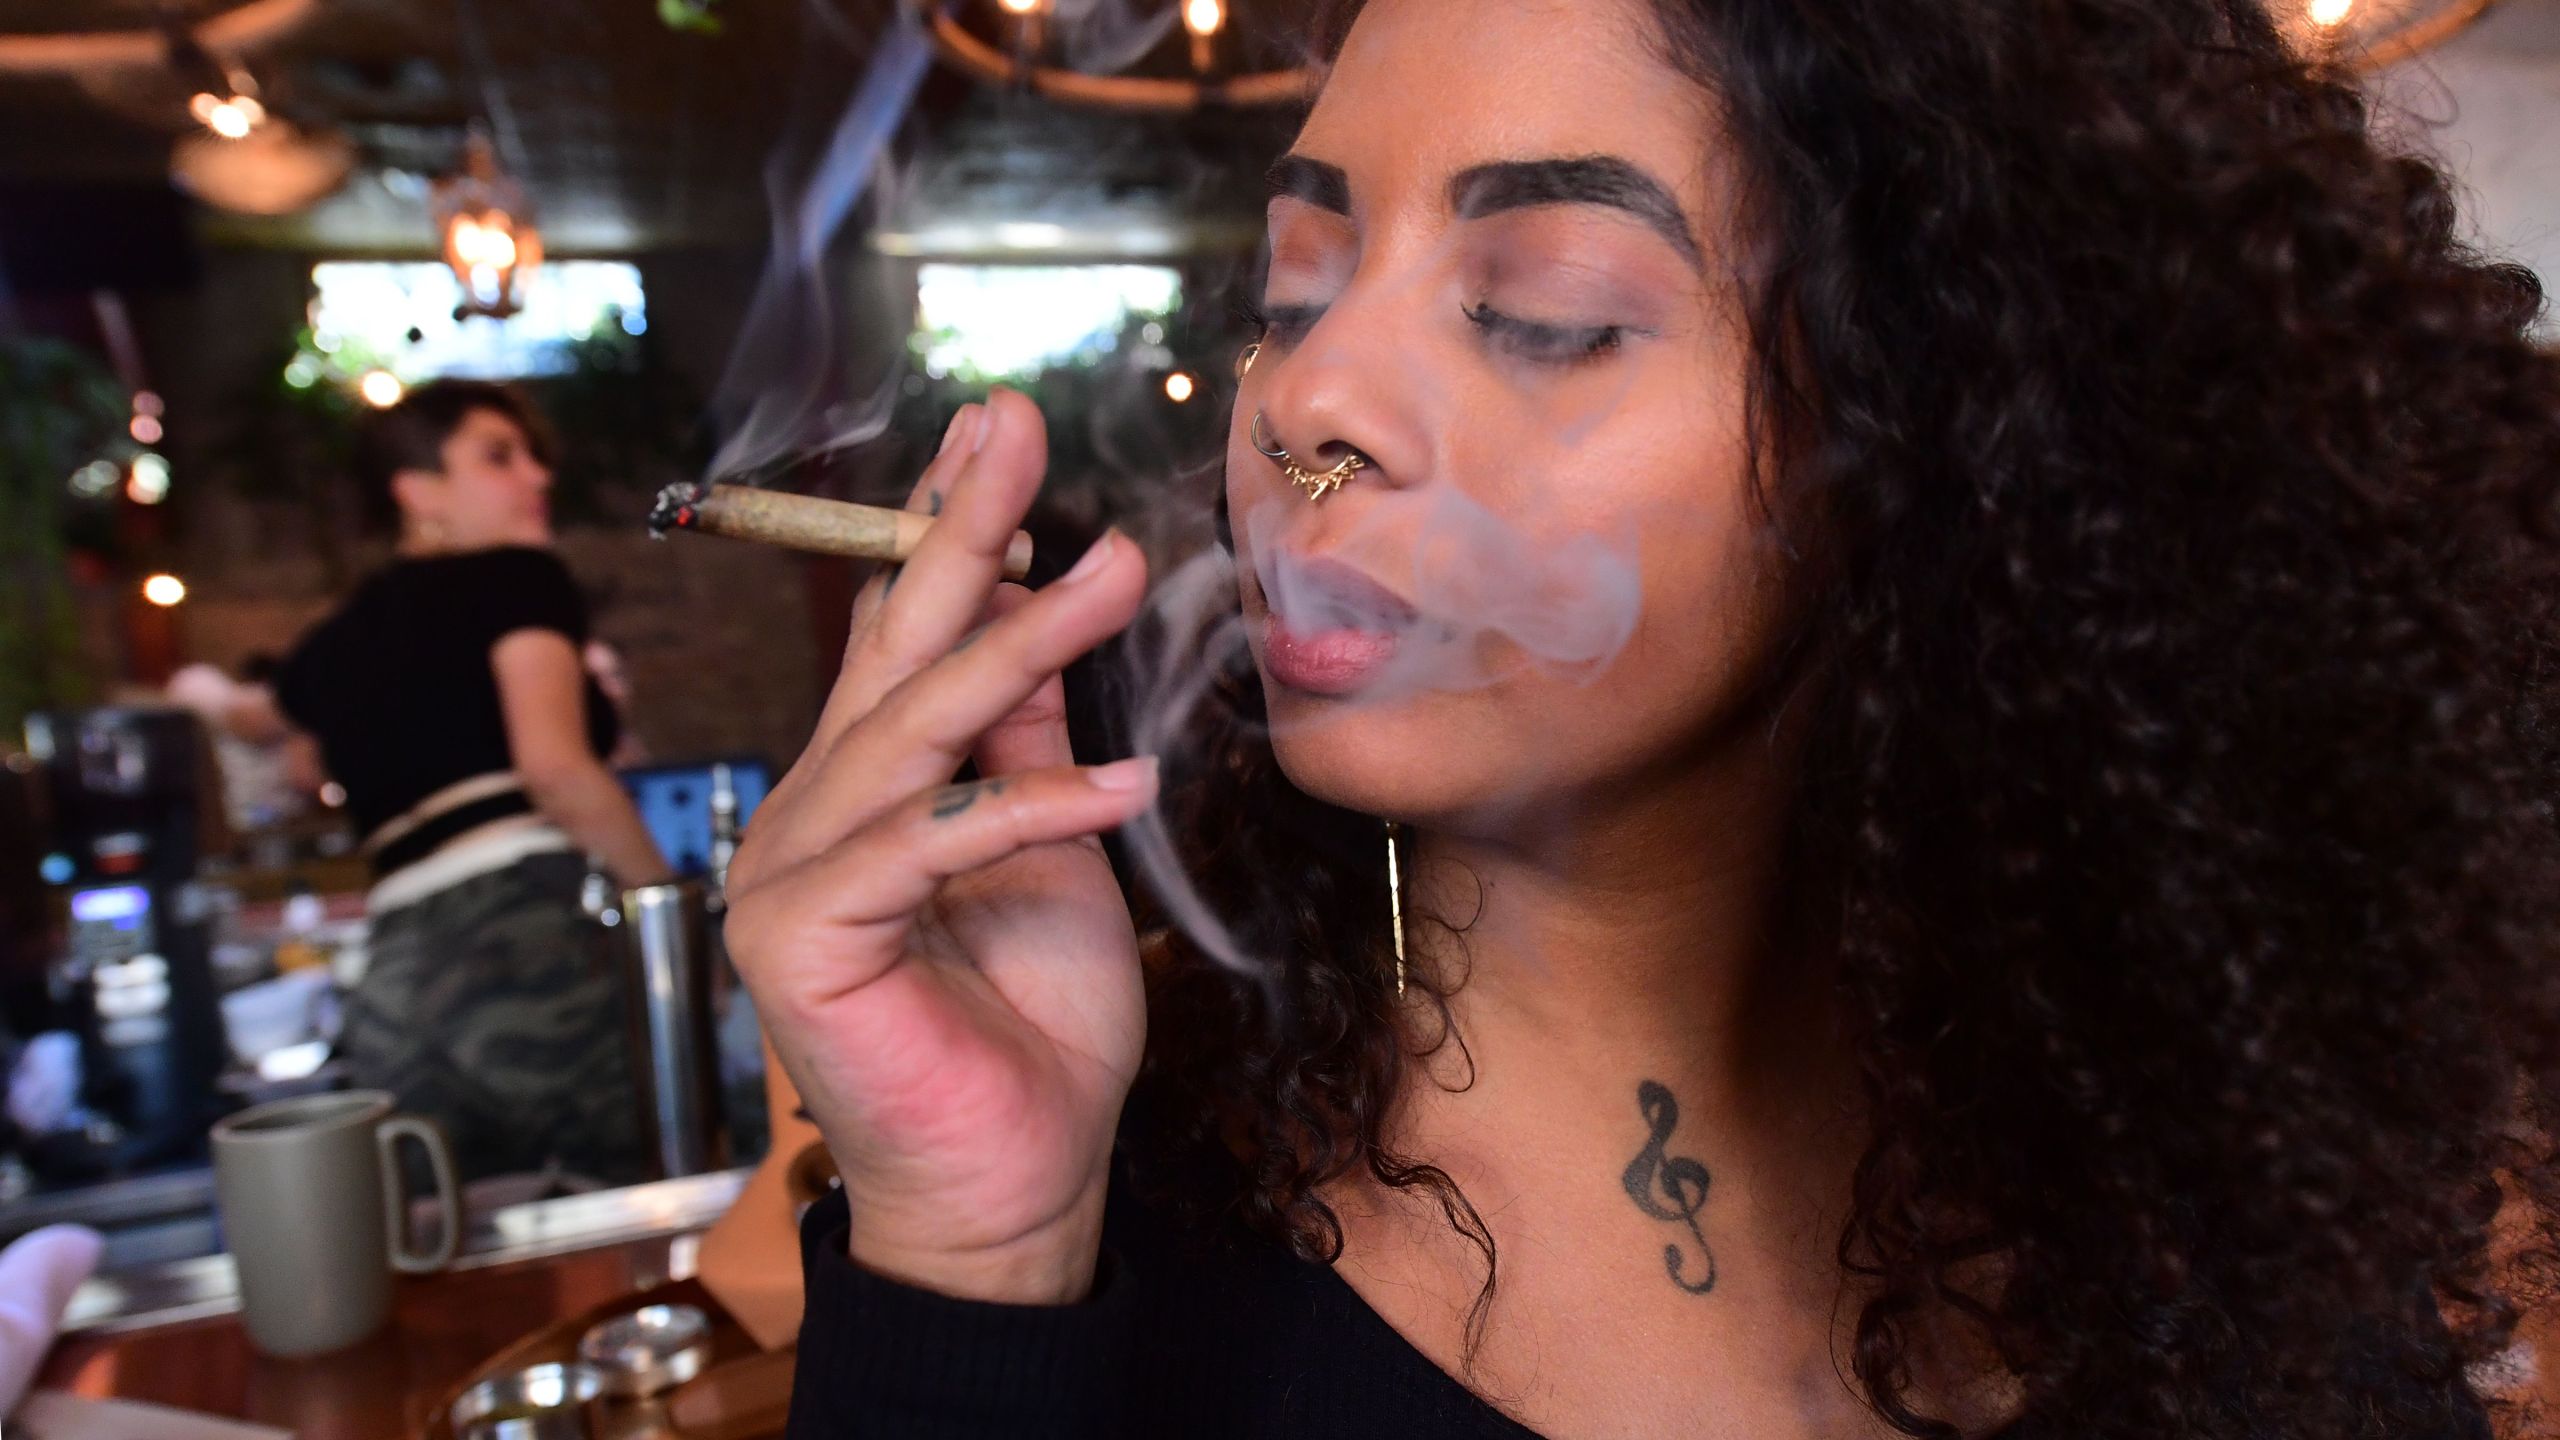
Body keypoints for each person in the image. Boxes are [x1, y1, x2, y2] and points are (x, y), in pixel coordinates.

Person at [729, 0, 2560, 1436]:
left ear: (1948, 438)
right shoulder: (1095, 1224)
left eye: (1539, 311)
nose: (1311, 398)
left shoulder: (2206, 1180)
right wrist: (974, 1267)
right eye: (1295, 290)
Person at [277, 379, 670, 1185]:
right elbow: (557, 770)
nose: (538, 477)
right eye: (499, 457)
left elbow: (296, 763)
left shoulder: (328, 645)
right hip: (528, 938)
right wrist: (676, 917)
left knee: (457, 1246)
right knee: (644, 1201)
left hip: (390, 983)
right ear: (417, 492)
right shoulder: (520, 579)